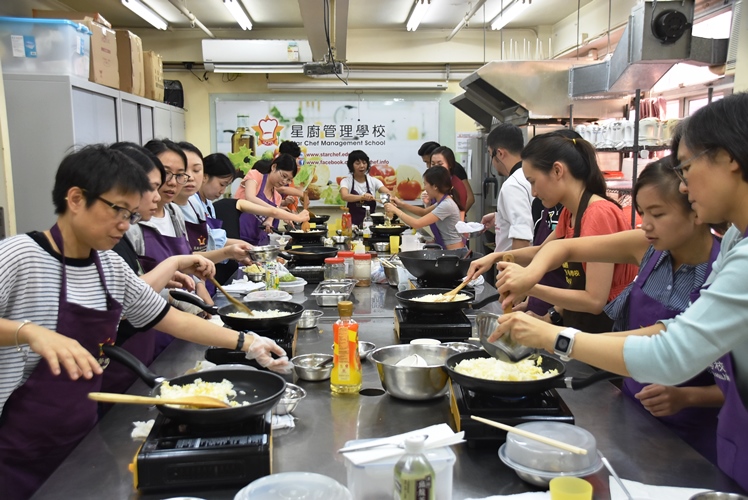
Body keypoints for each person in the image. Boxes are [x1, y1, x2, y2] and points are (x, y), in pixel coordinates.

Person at [0, 145, 290, 500]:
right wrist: (28, 332)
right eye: (118, 210)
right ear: (76, 198)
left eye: (131, 215)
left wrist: (247, 342)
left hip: (81, 436)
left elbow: (167, 317)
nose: (125, 224)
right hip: (15, 446)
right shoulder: (20, 255)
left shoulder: (108, 266)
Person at [488, 93, 748, 489]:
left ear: (729, 158)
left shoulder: (736, 256)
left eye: (688, 166)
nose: (686, 181)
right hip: (718, 433)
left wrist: (555, 337)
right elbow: (666, 332)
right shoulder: (734, 243)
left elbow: (672, 352)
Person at [503, 156, 725, 461]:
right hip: (632, 405)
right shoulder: (648, 247)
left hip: (693, 433)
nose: (646, 225)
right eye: (642, 213)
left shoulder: (725, 272)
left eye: (657, 214)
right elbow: (562, 247)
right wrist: (529, 277)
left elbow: (729, 376)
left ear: (697, 210)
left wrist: (688, 396)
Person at [468, 132, 638, 332]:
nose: (533, 193)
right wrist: (496, 258)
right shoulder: (570, 213)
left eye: (533, 181)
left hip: (607, 332)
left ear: (557, 171)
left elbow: (594, 300)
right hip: (580, 326)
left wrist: (528, 285)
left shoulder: (598, 214)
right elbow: (543, 251)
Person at [480, 123, 534, 252]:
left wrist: (513, 271)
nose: (492, 163)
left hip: (514, 267)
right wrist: (501, 217)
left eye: (490, 154)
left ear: (499, 153)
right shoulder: (528, 175)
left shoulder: (513, 185)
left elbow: (522, 237)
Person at [385, 167, 465, 252]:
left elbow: (417, 223)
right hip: (447, 251)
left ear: (435, 186)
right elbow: (423, 212)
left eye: (425, 184)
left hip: (454, 254)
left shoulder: (446, 205)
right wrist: (401, 204)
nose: (424, 188)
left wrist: (396, 210)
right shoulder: (442, 202)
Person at [234, 154, 298, 245]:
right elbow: (250, 198)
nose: (285, 181)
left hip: (259, 244)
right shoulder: (255, 175)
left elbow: (270, 217)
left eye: (289, 180)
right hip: (237, 237)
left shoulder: (277, 197)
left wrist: (269, 222)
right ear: (274, 167)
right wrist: (276, 210)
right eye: (284, 176)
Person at [418, 141, 475, 213]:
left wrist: (459, 217)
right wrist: (427, 203)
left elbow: (470, 198)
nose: (429, 166)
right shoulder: (437, 179)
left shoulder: (455, 173)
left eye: (439, 163)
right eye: (432, 163)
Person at [339, 149, 392, 226]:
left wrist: (386, 202)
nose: (362, 166)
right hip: (352, 225)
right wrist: (362, 197)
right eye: (357, 163)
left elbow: (387, 193)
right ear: (351, 165)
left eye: (364, 163)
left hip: (372, 225)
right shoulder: (346, 181)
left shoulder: (374, 181)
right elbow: (345, 196)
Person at [429, 146, 473, 218]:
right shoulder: (435, 183)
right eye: (433, 164)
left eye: (440, 164)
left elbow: (460, 214)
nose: (435, 168)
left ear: (450, 165)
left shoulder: (457, 185)